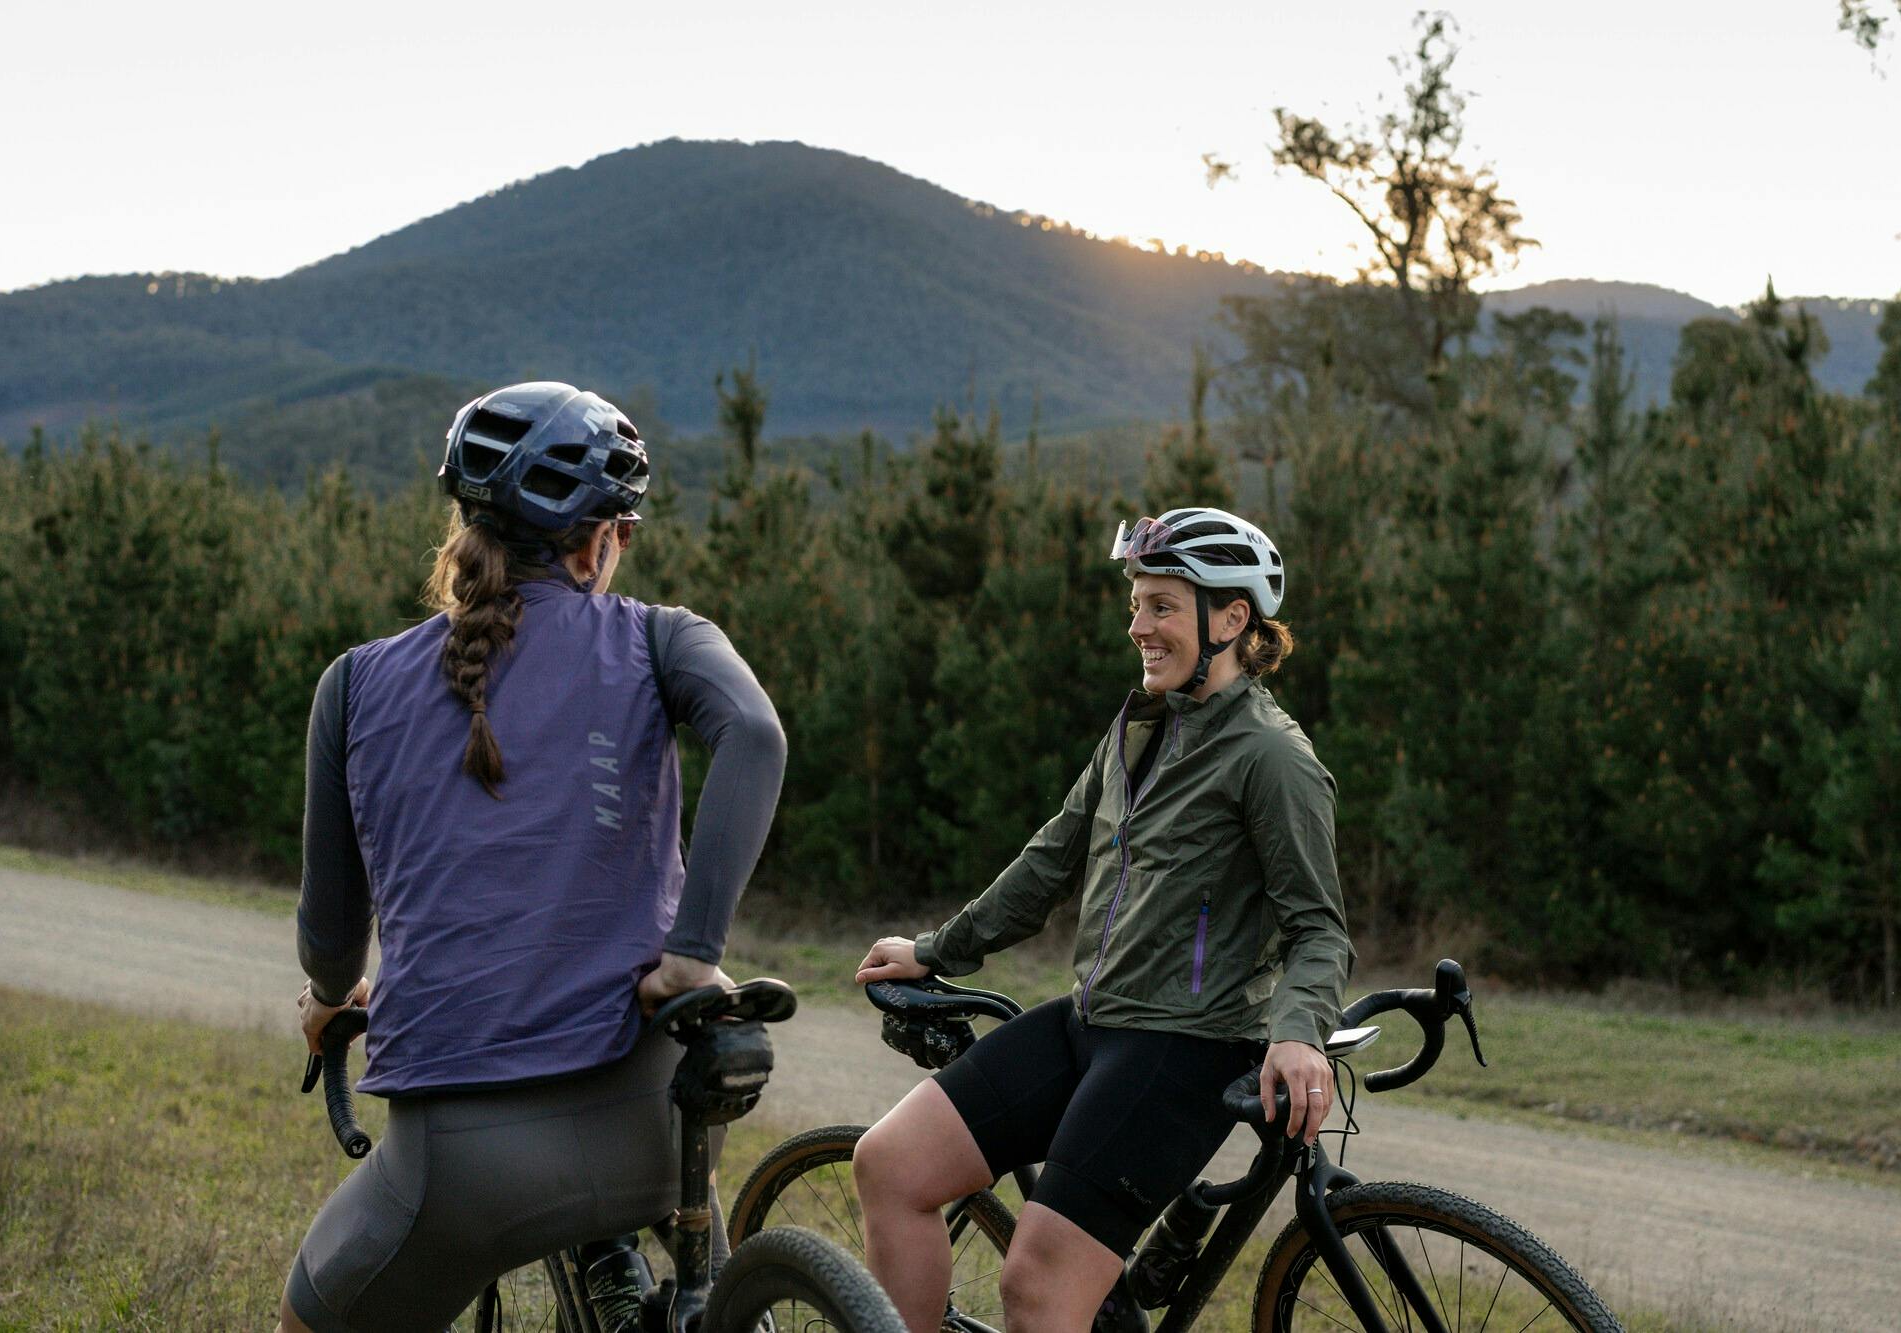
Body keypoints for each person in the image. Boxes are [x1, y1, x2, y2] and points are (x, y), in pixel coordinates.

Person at [278, 382, 787, 1333]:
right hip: (651, 1124)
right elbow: (756, 736)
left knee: (309, 1318)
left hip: (460, 1166)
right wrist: (693, 949)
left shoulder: (351, 688)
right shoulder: (661, 637)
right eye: (622, 532)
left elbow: (332, 942)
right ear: (598, 542)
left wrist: (328, 993)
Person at [852, 506, 1354, 1333]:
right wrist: (938, 948)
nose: (1139, 626)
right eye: (1136, 605)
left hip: (1185, 1049)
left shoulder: (1272, 758)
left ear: (1231, 619)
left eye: (1162, 605)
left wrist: (1297, 1032)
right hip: (1094, 1020)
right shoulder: (1139, 727)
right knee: (889, 1164)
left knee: (1037, 1284)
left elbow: (1320, 930)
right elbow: (1051, 859)